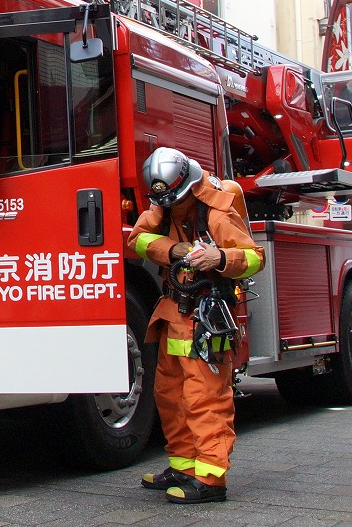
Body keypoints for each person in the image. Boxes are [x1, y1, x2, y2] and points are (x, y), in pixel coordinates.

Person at [128, 147, 264, 505]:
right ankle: (183, 468)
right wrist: (175, 250)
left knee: (205, 398)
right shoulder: (164, 202)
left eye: (174, 199)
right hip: (174, 313)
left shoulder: (217, 211)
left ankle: (210, 479)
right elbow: (137, 239)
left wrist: (219, 257)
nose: (169, 206)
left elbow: (254, 258)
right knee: (170, 395)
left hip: (206, 316)